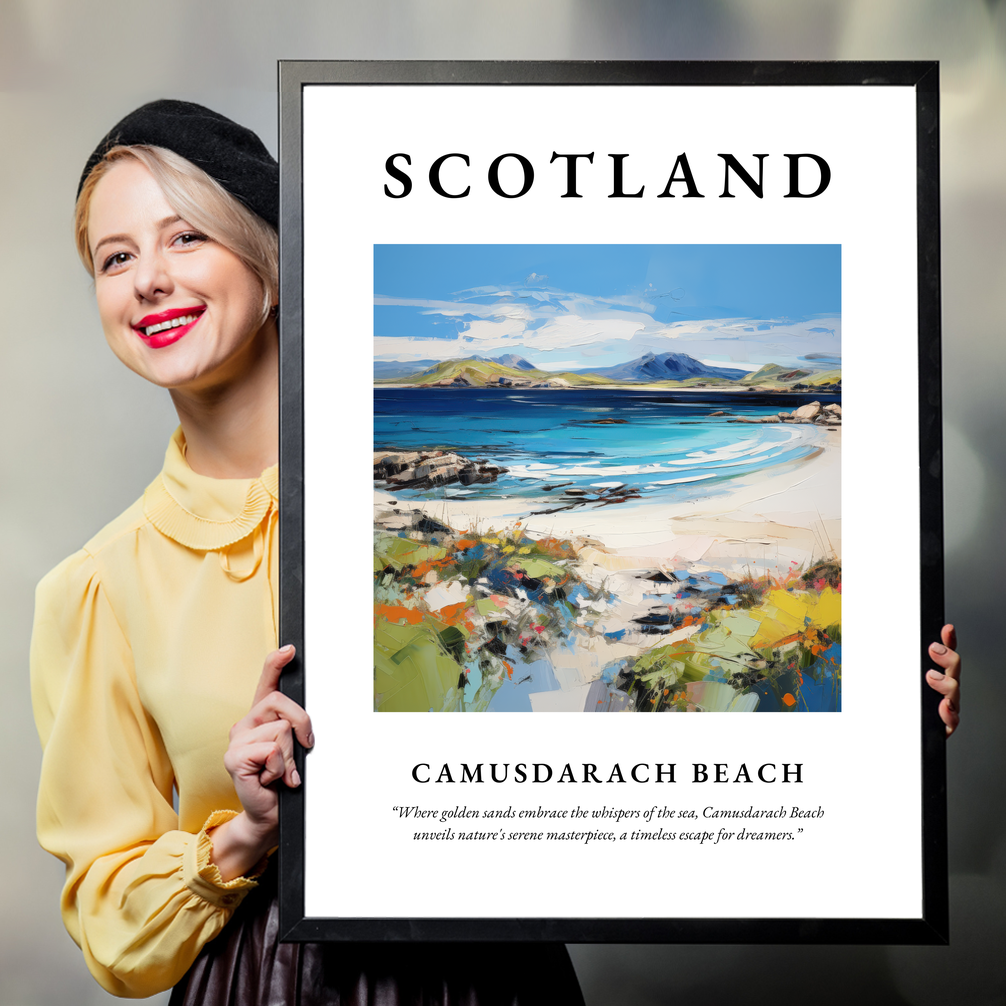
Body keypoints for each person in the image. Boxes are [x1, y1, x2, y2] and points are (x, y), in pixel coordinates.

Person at [30, 100, 586, 1004]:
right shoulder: (97, 587)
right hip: (263, 981)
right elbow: (110, 924)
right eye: (116, 257)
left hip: (494, 972)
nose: (148, 281)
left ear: (273, 263)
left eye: (185, 238)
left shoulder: (439, 507)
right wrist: (245, 832)